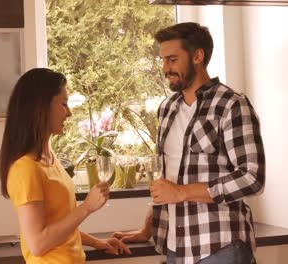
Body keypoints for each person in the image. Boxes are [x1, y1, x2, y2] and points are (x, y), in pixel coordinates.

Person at [112, 22, 265, 264]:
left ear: (197, 56)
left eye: (172, 59)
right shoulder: (167, 109)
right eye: (162, 60)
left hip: (220, 248)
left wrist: (182, 193)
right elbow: (169, 176)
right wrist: (148, 228)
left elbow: (252, 178)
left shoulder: (231, 104)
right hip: (176, 248)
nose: (165, 68)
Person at [0, 68, 131, 264]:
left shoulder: (49, 158)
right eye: (64, 104)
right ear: (41, 106)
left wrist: (97, 242)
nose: (68, 113)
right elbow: (38, 243)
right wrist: (87, 207)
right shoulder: (25, 169)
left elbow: (59, 225)